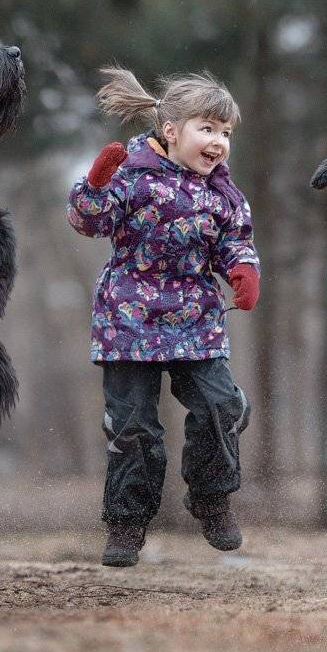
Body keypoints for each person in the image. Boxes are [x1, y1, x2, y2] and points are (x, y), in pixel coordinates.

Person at [67, 65, 261, 567]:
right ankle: (128, 524)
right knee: (134, 428)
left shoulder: (223, 193)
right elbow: (89, 222)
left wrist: (241, 268)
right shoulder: (130, 174)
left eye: (225, 133)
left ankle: (211, 498)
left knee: (220, 408)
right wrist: (94, 184)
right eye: (207, 129)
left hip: (196, 317)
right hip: (128, 321)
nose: (218, 142)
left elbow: (235, 240)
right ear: (170, 131)